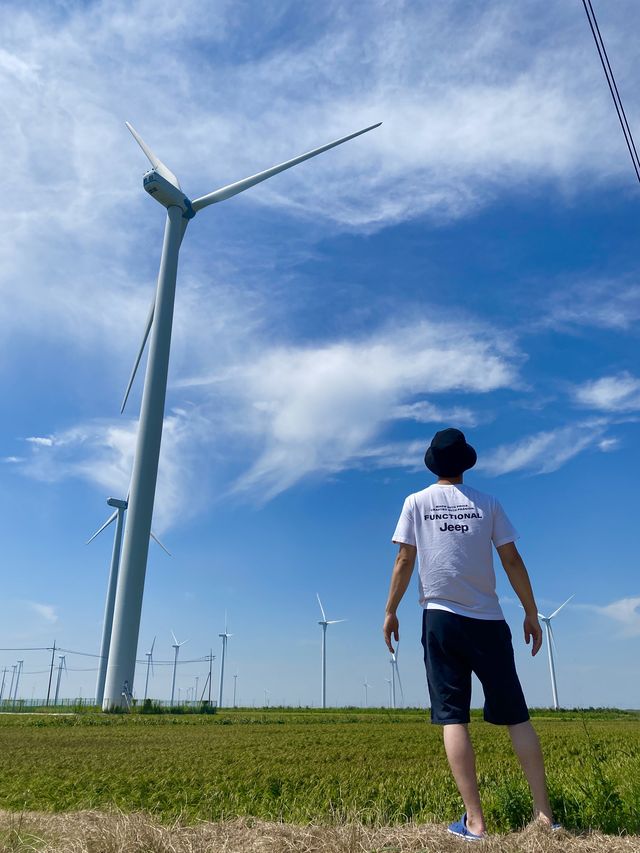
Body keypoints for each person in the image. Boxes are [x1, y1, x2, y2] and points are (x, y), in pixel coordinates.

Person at [383, 427, 557, 840]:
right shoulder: (488, 503)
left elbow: (404, 559)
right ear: (466, 464)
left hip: (440, 618)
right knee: (517, 716)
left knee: (452, 716)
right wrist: (531, 612)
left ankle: (475, 823)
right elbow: (512, 560)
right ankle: (545, 817)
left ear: (433, 463)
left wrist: (390, 610)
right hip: (489, 621)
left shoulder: (416, 502)